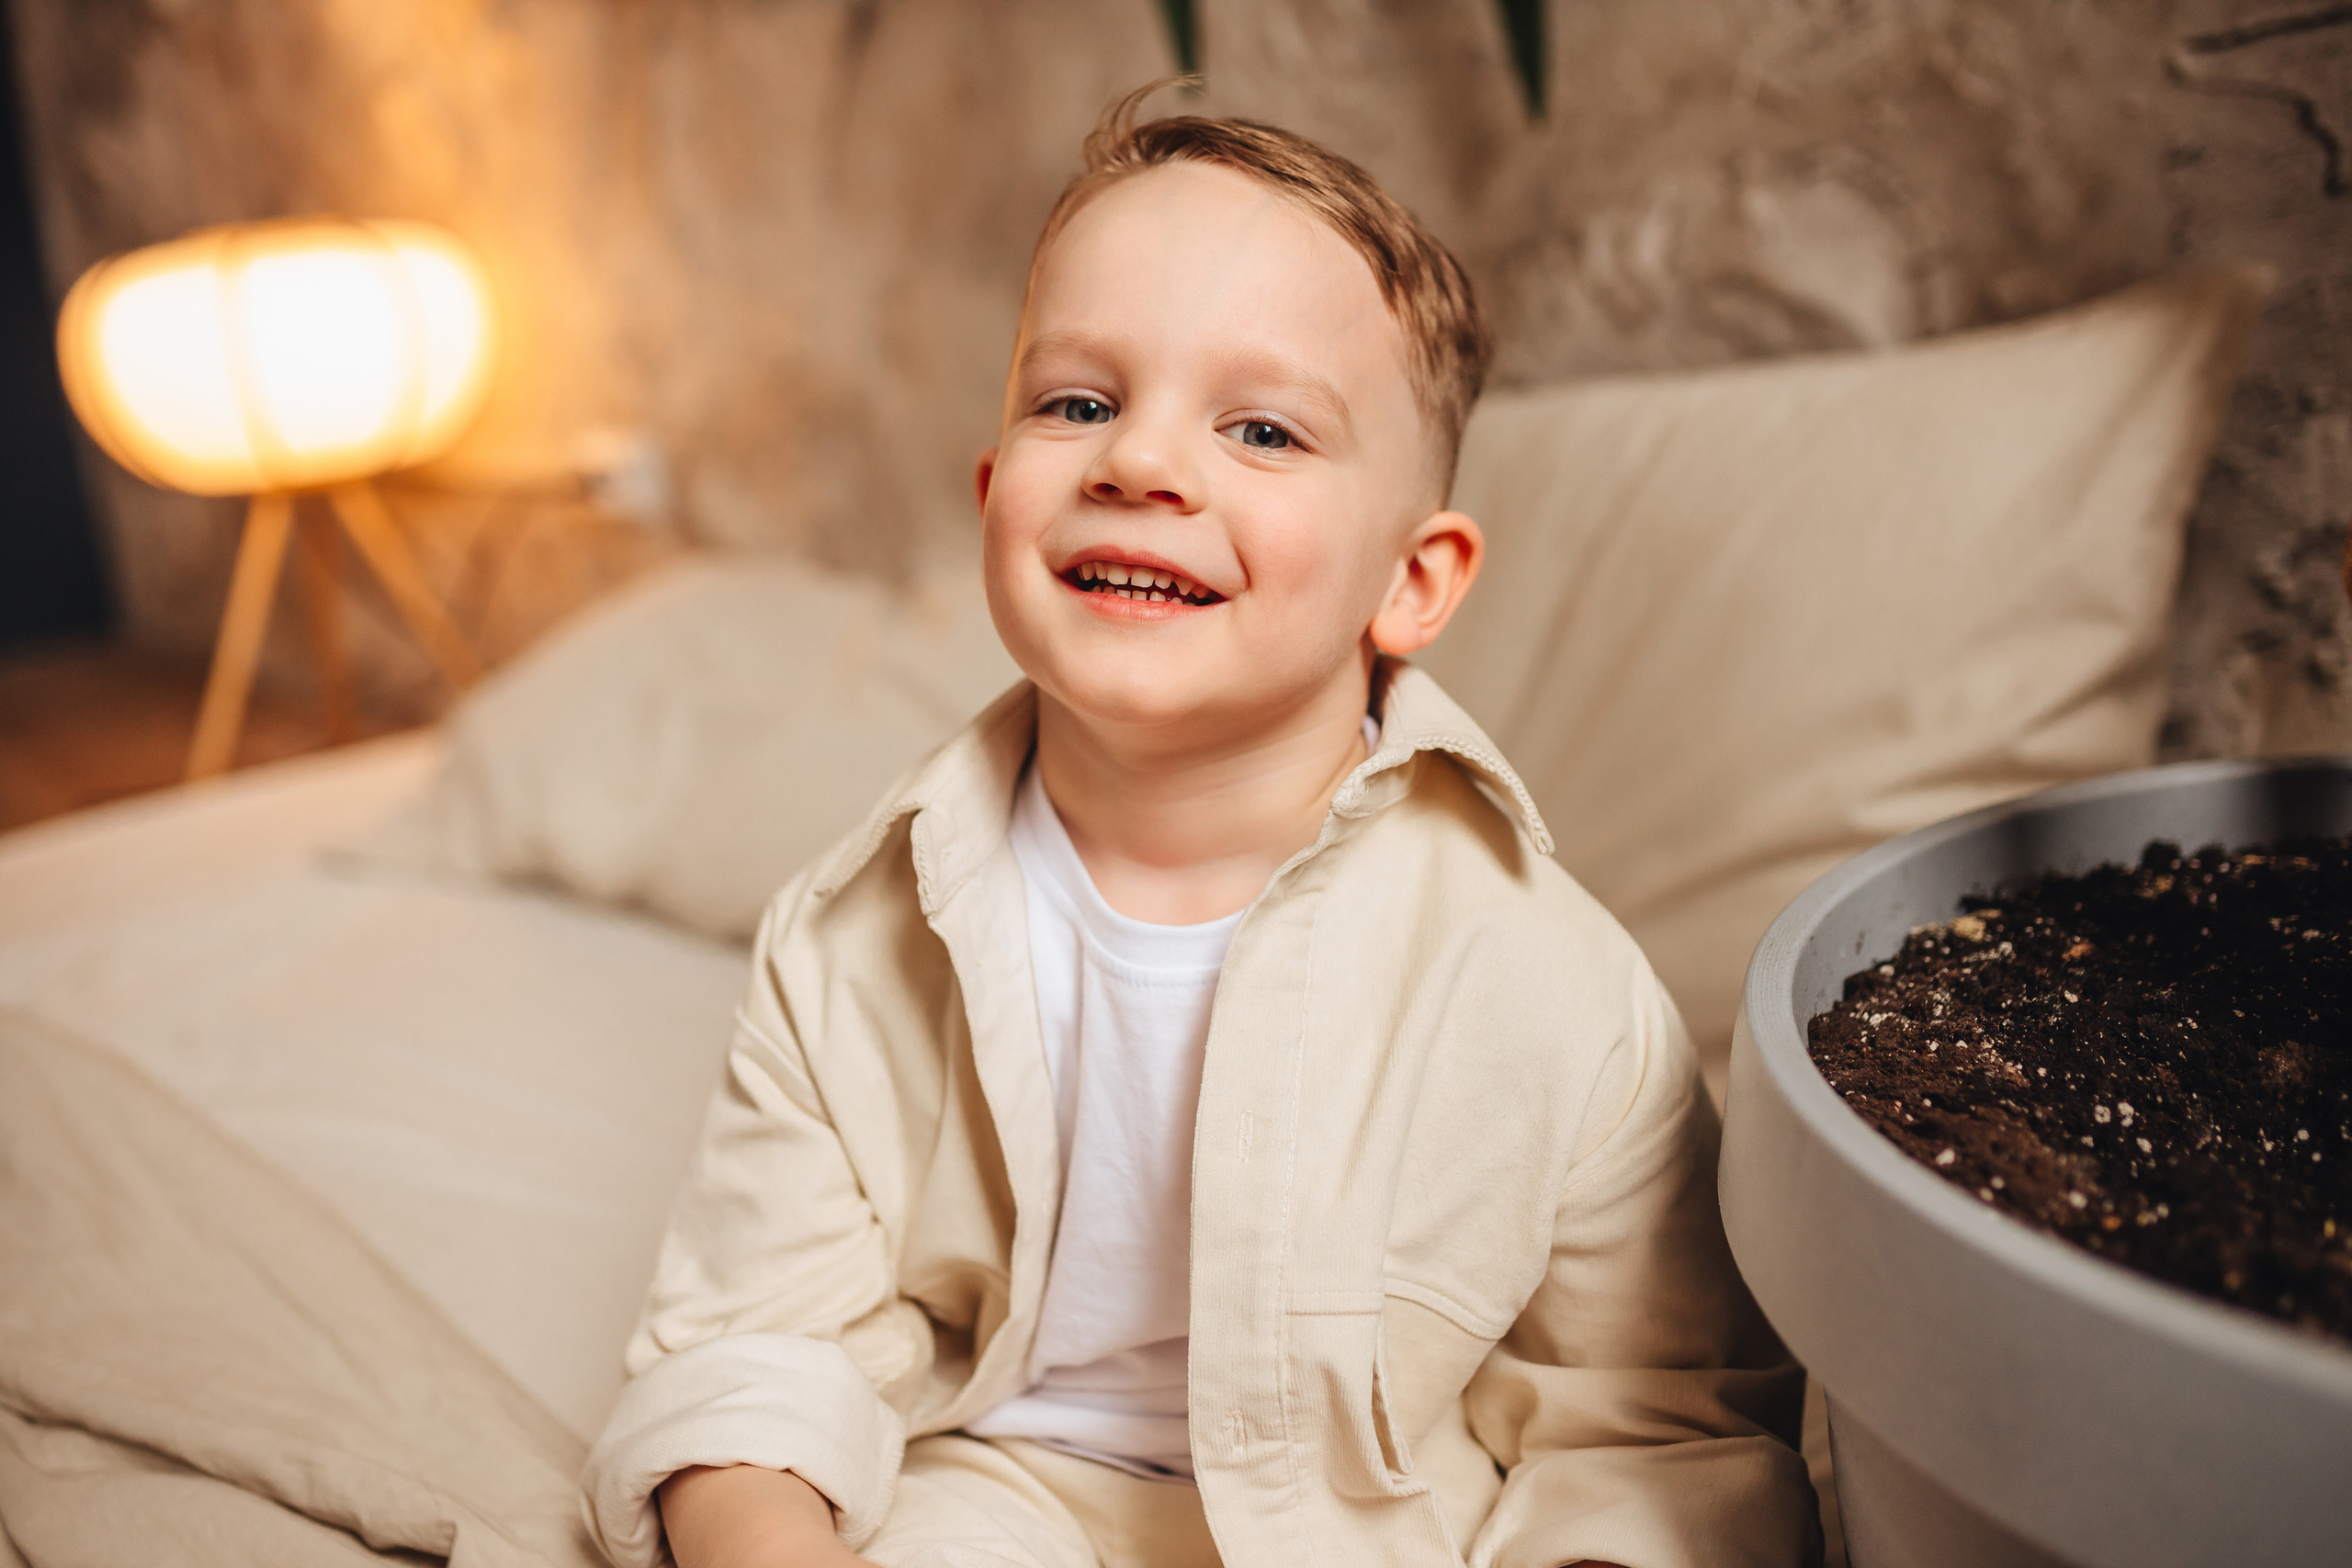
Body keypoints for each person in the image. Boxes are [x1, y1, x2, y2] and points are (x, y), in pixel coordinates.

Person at [582, 84, 1816, 1568]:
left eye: (1263, 429)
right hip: (991, 1487)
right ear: (994, 499)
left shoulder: (1554, 990)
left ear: (1412, 585)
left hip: (1380, 1528)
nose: (1140, 464)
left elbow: (1652, 1430)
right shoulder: (855, 937)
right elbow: (750, 1354)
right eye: (1078, 402)